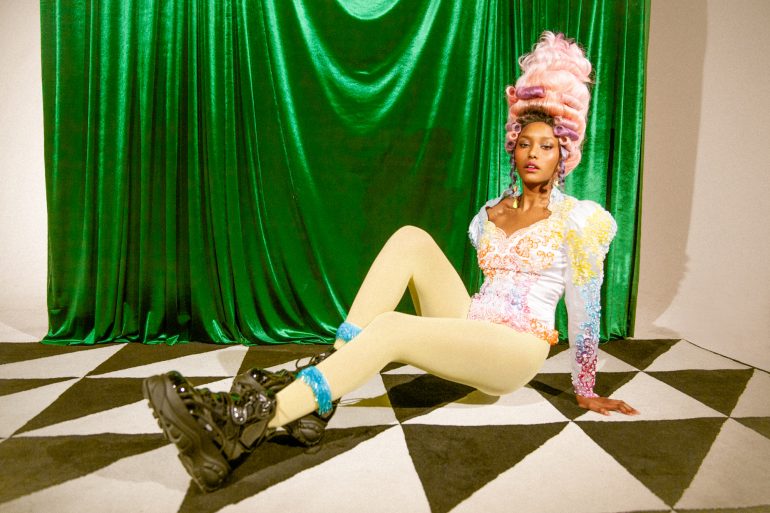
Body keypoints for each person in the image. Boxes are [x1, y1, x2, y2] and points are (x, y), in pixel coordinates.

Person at [142, 31, 639, 493]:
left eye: (546, 146)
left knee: (393, 328)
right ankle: (322, 391)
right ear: (513, 147)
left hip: (517, 349)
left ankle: (245, 427)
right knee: (410, 239)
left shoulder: (581, 220)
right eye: (525, 143)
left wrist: (585, 388)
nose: (533, 154)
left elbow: (585, 308)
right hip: (476, 323)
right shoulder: (490, 213)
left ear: (563, 153)